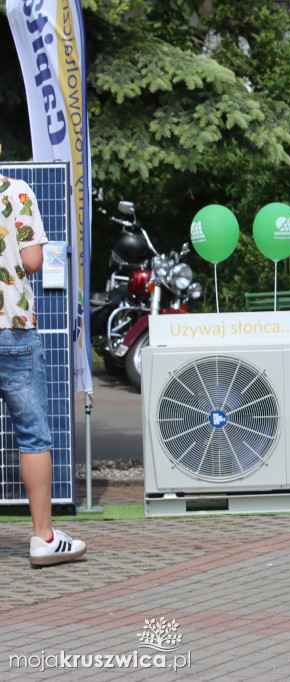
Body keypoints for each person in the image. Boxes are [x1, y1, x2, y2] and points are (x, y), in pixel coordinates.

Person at [0, 142, 86, 566]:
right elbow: (33, 261)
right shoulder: (16, 191)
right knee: (32, 435)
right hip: (13, 327)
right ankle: (43, 538)